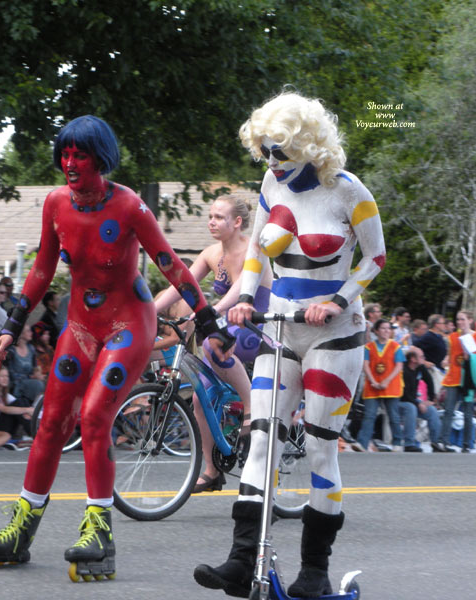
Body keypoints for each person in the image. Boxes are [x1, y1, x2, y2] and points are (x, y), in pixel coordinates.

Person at [0, 115, 233, 578]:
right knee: (51, 419)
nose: (70, 164)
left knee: (95, 416)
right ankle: (22, 526)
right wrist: (14, 322)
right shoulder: (56, 204)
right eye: (66, 155)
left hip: (127, 326)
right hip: (79, 327)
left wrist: (210, 319)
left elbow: (171, 265)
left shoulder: (131, 207)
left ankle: (99, 531)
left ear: (101, 159)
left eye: (81, 155)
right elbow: (41, 268)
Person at [194, 91, 385, 599]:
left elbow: (375, 259)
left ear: (307, 145)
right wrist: (243, 298)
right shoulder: (269, 185)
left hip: (333, 335)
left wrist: (338, 303)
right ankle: (240, 561)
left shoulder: (347, 191)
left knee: (322, 446)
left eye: (279, 151)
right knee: (262, 438)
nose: (271, 161)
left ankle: (315, 572)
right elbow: (256, 250)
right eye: (265, 151)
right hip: (279, 325)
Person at [153, 194, 272, 493]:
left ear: (237, 222)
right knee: (198, 397)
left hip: (258, 325)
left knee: (211, 344)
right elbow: (180, 286)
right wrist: (148, 310)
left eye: (219, 217)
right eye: (210, 216)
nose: (212, 221)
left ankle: (250, 405)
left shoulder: (253, 251)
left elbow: (242, 290)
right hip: (227, 325)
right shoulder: (210, 254)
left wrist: (210, 312)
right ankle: (211, 470)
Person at [437, 310, 476, 452]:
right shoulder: (452, 337)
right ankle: (443, 441)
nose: (460, 322)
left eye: (463, 319)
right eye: (458, 320)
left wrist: (472, 359)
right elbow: (450, 355)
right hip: (453, 377)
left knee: (467, 412)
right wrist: (445, 361)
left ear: (470, 320)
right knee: (448, 410)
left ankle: (466, 444)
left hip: (469, 379)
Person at [352, 319, 405, 452]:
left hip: (391, 385)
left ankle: (397, 442)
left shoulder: (395, 346)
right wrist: (372, 381)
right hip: (373, 385)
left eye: (388, 329)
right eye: (383, 328)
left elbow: (399, 366)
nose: (386, 331)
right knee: (369, 415)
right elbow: (365, 365)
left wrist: (386, 380)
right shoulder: (369, 347)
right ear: (376, 331)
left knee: (393, 416)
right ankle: (362, 443)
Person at [399, 346, 444, 452]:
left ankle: (435, 442)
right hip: (399, 401)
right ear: (413, 359)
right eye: (421, 357)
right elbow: (404, 393)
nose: (424, 359)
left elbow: (429, 380)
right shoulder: (404, 370)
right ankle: (409, 443)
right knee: (411, 408)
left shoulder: (420, 367)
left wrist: (431, 399)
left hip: (413, 400)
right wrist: (418, 403)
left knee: (432, 411)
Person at [0, 366, 35, 449]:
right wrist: (27, 410)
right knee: (19, 404)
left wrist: (31, 412)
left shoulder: (6, 396)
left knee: (23, 402)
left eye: (7, 376)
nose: (5, 379)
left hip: (3, 429)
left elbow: (21, 408)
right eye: (2, 376)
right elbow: (4, 409)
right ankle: (34, 433)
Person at [6, 323, 47, 404]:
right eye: (28, 331)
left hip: (30, 380)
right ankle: (34, 407)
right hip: (16, 383)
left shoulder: (31, 348)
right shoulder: (12, 351)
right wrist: (31, 376)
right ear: (21, 334)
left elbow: (35, 367)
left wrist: (38, 373)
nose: (31, 333)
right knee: (38, 384)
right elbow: (10, 373)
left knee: (47, 382)